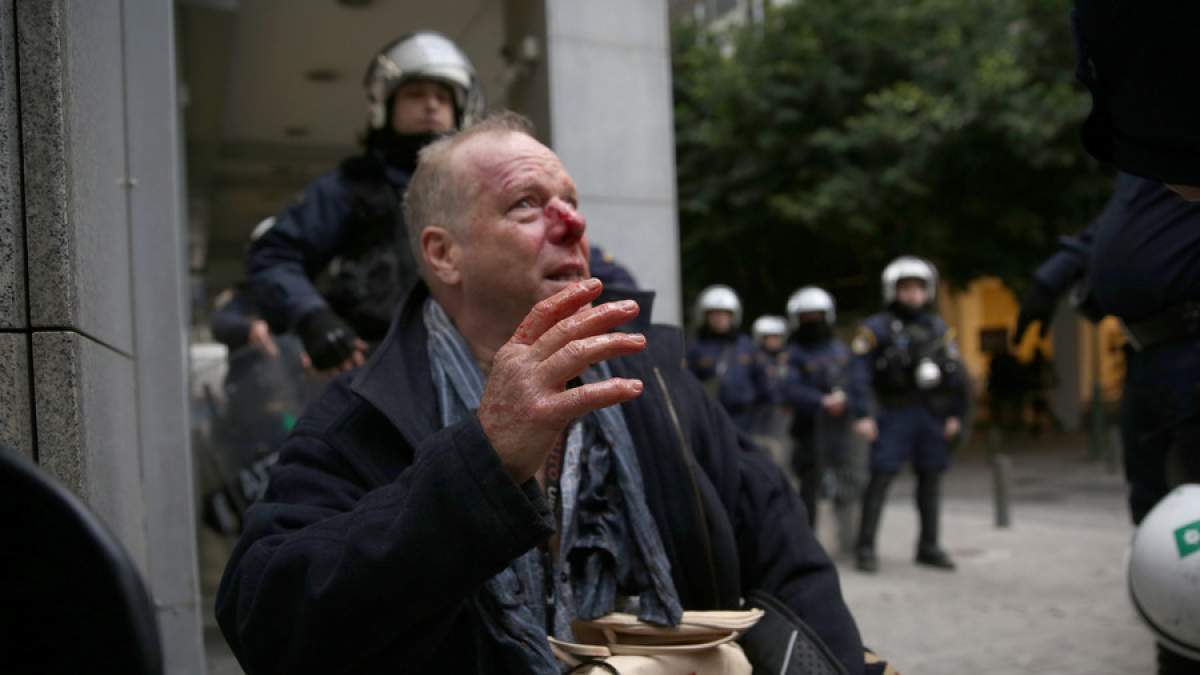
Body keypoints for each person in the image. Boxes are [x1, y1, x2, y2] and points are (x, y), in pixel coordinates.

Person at [216, 113, 867, 675]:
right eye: (526, 203)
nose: (572, 223)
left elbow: (791, 563)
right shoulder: (362, 415)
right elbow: (266, 622)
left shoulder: (657, 383)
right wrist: (482, 463)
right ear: (444, 255)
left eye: (571, 201)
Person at [246, 32, 635, 378]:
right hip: (380, 374)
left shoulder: (486, 182)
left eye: (442, 97)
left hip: (487, 367)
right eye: (416, 94)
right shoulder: (349, 187)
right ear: (384, 106)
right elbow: (275, 256)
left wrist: (613, 312)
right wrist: (311, 315)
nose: (431, 106)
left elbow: (575, 262)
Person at [848, 257, 967, 573]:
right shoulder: (877, 328)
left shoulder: (939, 329)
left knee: (931, 478)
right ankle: (865, 547)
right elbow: (858, 373)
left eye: (918, 288)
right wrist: (863, 413)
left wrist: (955, 414)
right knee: (881, 477)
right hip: (893, 412)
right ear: (893, 290)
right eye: (906, 288)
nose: (913, 294)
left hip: (930, 413)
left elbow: (956, 375)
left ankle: (929, 546)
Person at [779, 287, 858, 549]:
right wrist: (820, 401)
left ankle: (848, 540)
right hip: (809, 430)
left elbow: (856, 381)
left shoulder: (840, 350)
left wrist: (844, 398)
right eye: (807, 317)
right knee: (809, 487)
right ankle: (808, 542)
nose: (813, 322)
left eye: (817, 315)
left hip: (840, 430)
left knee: (847, 481)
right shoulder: (792, 354)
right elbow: (789, 389)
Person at [686, 285, 771, 433]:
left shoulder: (747, 345)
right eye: (715, 314)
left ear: (733, 316)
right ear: (705, 316)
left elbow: (762, 381)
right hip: (710, 418)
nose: (720, 318)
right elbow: (687, 381)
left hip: (744, 419)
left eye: (725, 314)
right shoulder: (696, 348)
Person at [748, 315, 793, 469]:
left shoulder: (786, 359)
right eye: (769, 337)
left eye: (777, 337)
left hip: (781, 414)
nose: (774, 341)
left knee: (780, 452)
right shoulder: (754, 360)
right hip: (759, 412)